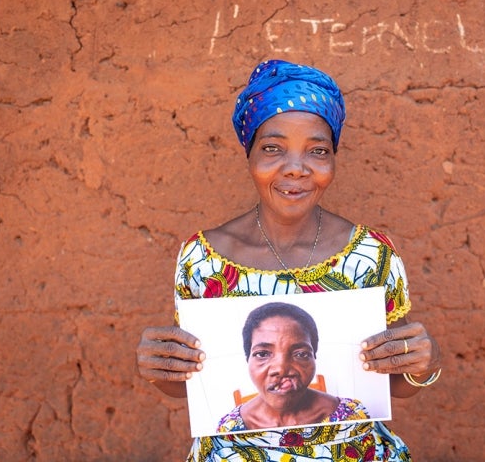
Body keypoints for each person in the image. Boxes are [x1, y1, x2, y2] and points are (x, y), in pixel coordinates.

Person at [136, 59, 443, 461]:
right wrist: (160, 367)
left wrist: (425, 362)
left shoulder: (370, 254)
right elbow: (192, 384)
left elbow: (394, 382)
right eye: (273, 149)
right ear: (250, 155)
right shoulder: (202, 259)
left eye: (317, 150)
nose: (295, 169)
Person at [216, 301, 370, 433]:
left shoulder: (352, 416)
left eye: (301, 354)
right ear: (247, 359)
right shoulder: (229, 429)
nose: (281, 369)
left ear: (314, 357)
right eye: (262, 354)